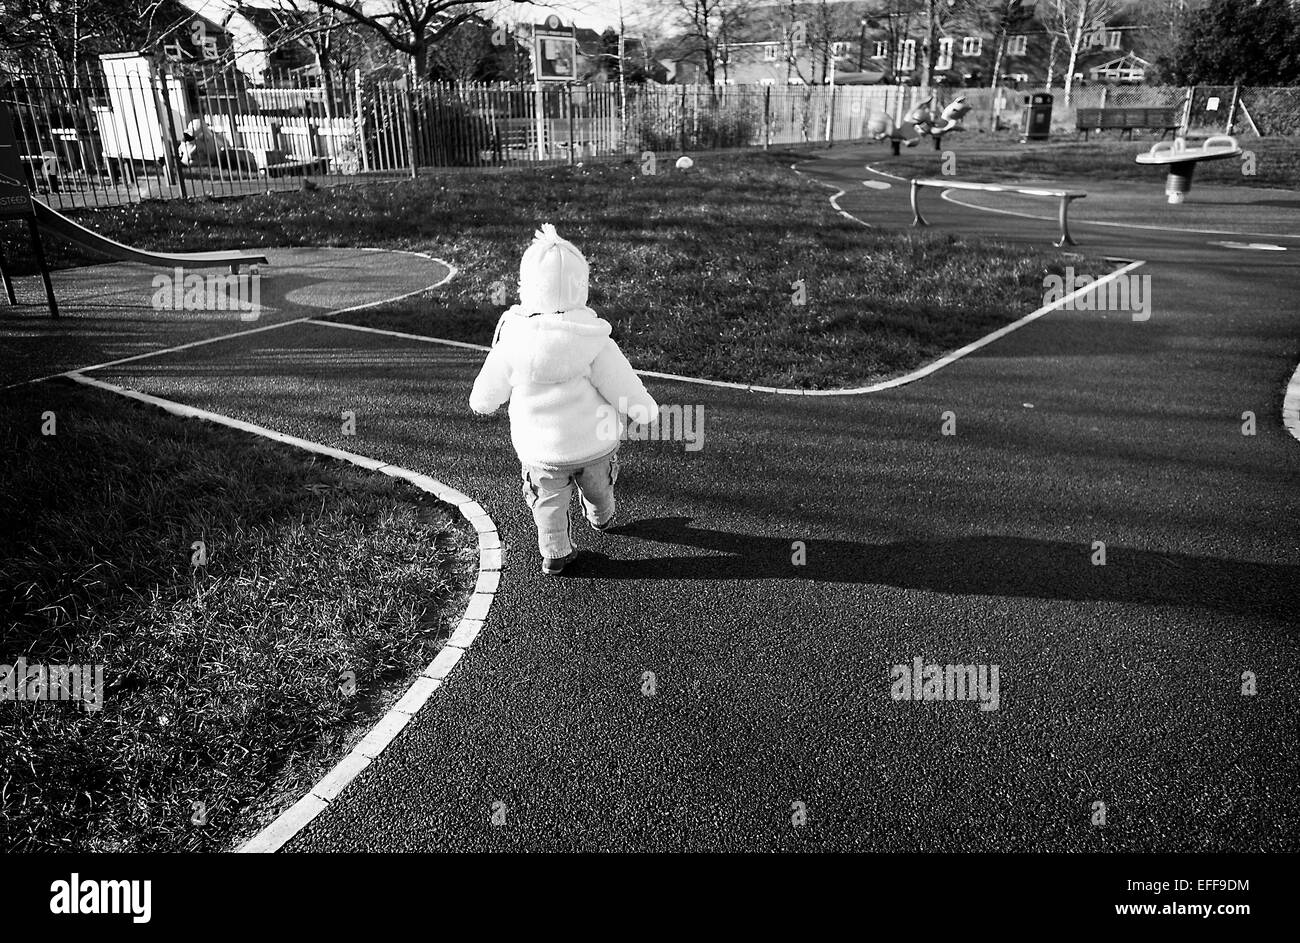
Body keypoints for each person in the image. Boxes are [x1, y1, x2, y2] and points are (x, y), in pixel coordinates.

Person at [470, 224, 658, 576]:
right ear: (580, 286)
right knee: (599, 486)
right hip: (593, 445)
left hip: (541, 451)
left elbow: (487, 392)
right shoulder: (595, 339)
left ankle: (555, 549)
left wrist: (482, 401)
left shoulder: (512, 341)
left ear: (527, 287)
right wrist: (643, 409)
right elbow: (622, 384)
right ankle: (600, 515)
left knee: (548, 503)